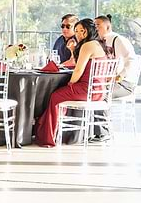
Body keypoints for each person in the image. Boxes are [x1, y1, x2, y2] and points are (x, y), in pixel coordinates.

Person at [35, 17, 105, 148]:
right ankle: (55, 131)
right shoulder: (98, 44)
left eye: (80, 31)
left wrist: (71, 84)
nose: (77, 34)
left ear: (87, 31)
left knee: (55, 96)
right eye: (77, 31)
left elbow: (78, 69)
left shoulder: (87, 45)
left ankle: (49, 135)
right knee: (59, 94)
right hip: (98, 91)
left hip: (86, 89)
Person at [94, 15, 137, 101]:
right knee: (88, 92)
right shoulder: (97, 42)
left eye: (97, 25)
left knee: (98, 94)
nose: (95, 28)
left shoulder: (118, 40)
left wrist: (119, 76)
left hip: (124, 84)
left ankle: (102, 115)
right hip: (106, 82)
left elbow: (131, 60)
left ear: (108, 27)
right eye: (93, 25)